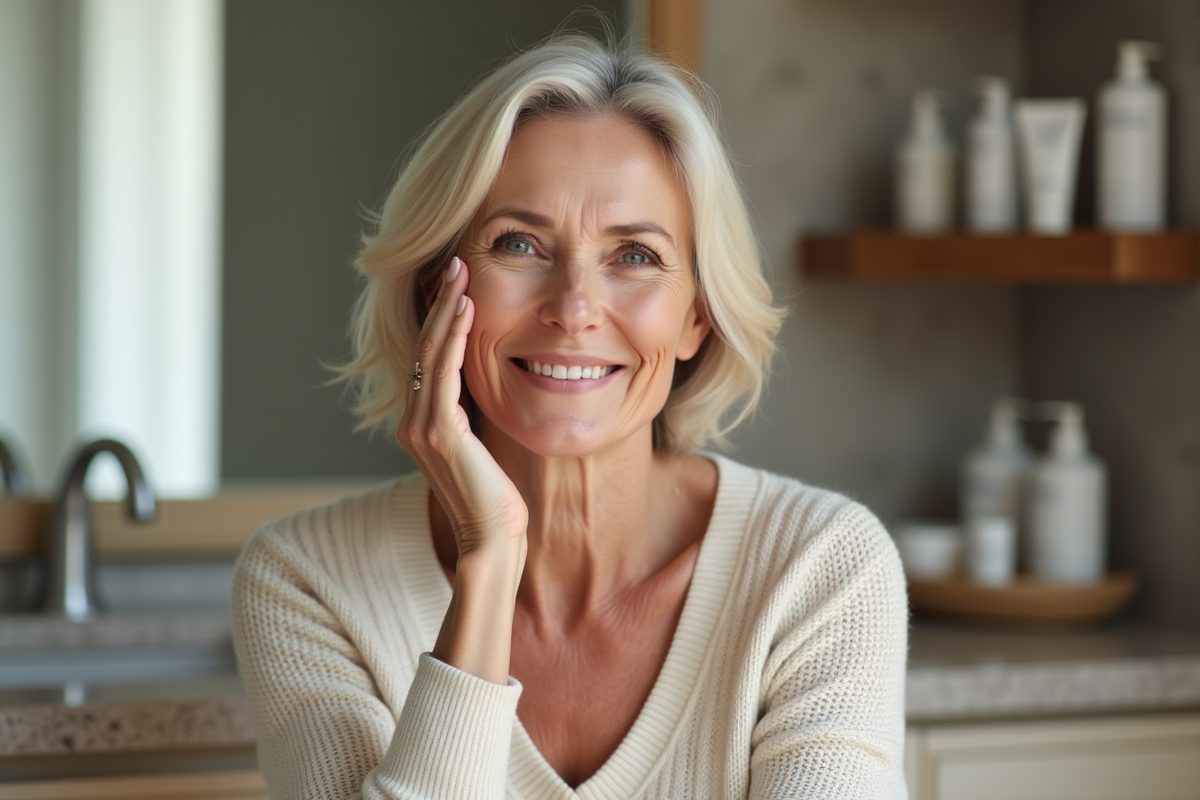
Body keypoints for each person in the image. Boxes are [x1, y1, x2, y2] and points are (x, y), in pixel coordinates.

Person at [231, 33, 908, 800]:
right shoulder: (307, 581)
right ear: (433, 292)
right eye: (519, 243)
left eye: (636, 256)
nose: (574, 309)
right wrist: (489, 562)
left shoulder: (819, 570)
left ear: (697, 318)